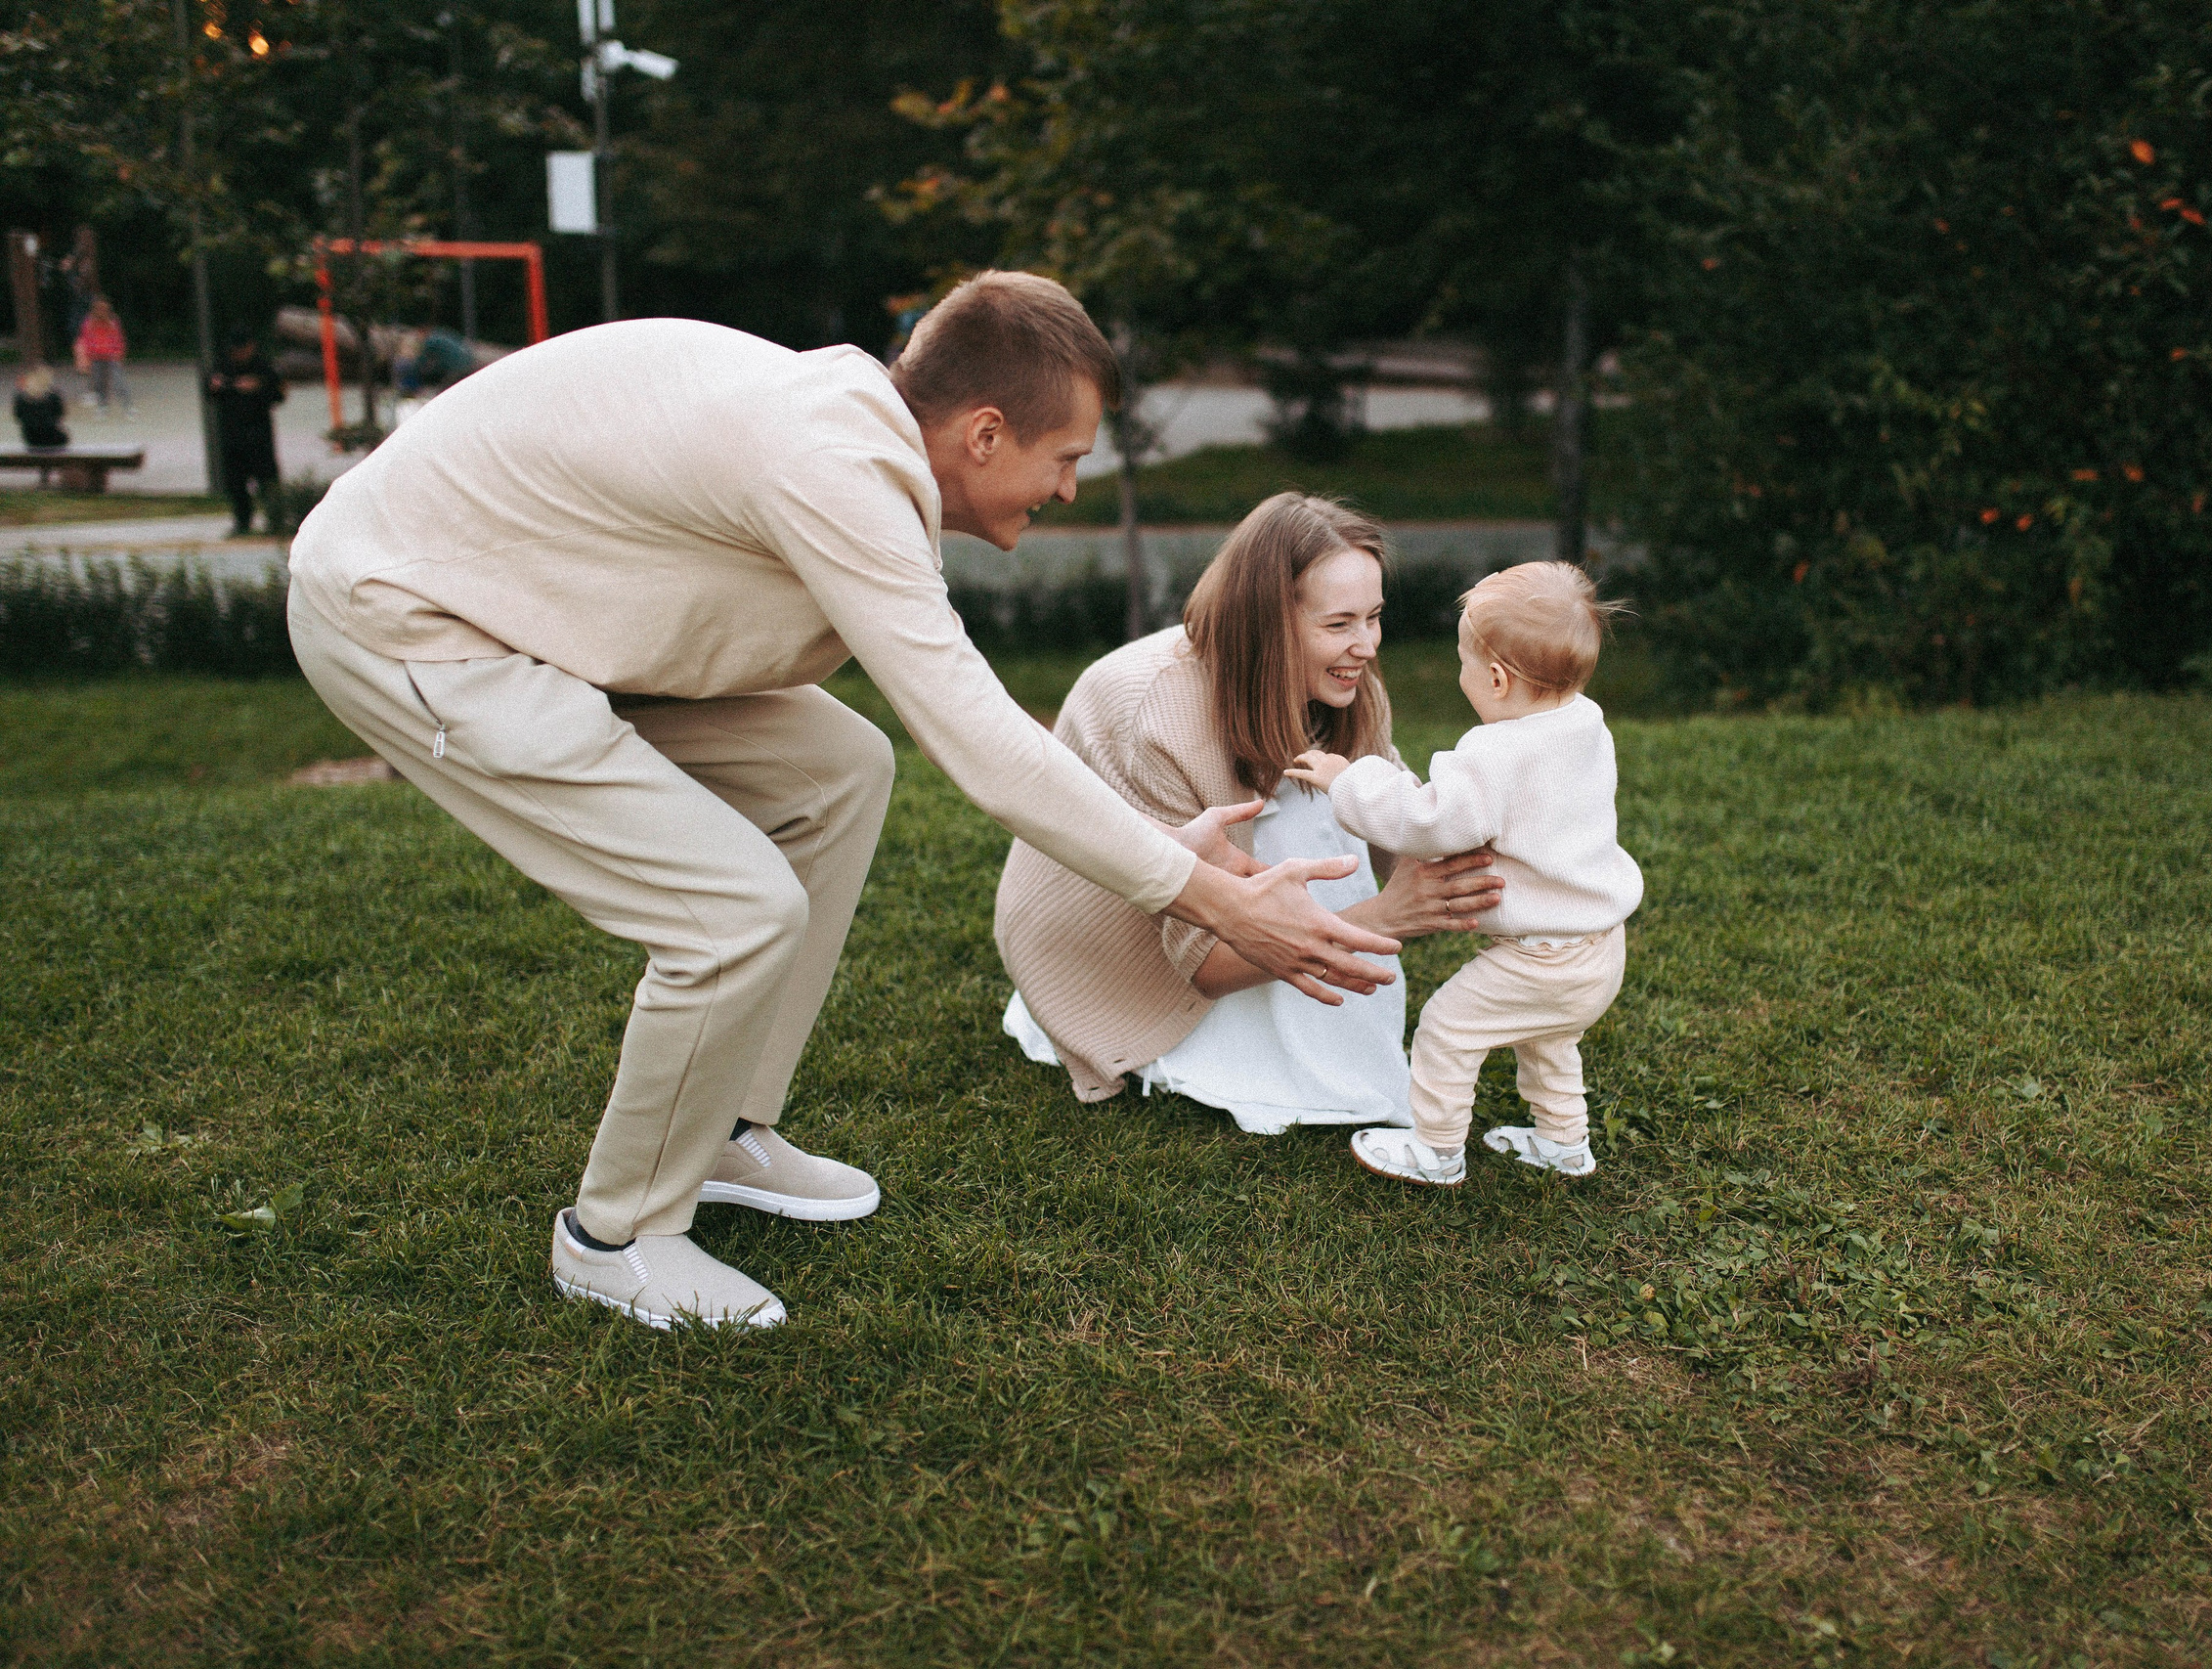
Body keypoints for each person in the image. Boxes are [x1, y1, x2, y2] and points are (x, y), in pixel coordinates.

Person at [286, 271, 1399, 1333]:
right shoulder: (834, 464)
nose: (1068, 488)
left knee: (840, 768)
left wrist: (1182, 875)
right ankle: (614, 1237)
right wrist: (1211, 896)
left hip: (529, 610)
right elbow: (977, 736)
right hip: (407, 617)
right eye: (1063, 457)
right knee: (729, 915)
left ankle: (719, 1129)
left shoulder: (848, 440)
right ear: (984, 436)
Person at [994, 494, 1503, 1132]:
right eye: (1339, 623)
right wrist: (1385, 915)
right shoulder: (1150, 714)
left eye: (1373, 617)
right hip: (1107, 947)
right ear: (1268, 623)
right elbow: (1203, 962)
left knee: (1331, 796)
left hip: (1227, 899)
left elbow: (1394, 818)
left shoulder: (1345, 680)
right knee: (1297, 821)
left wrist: (1469, 853)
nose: (1367, 645)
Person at [1288, 561, 1643, 1186]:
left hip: (1541, 958)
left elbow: (1431, 824)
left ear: (1498, 678)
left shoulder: (1494, 753)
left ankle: (1436, 1149)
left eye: (1463, 662)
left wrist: (1351, 780)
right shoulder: (1586, 724)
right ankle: (1564, 1143)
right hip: (1599, 950)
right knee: (1549, 1039)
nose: (1460, 676)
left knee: (1447, 1030)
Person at [204, 335, 286, 536]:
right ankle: (242, 522)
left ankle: (275, 521)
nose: (238, 354)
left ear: (251, 346)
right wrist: (215, 386)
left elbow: (278, 394)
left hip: (259, 433)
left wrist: (257, 387)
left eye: (242, 349)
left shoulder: (263, 366)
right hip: (232, 433)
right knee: (235, 481)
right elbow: (210, 391)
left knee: (266, 478)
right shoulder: (223, 365)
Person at [73, 295, 131, 417]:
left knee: (119, 382)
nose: (102, 310)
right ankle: (102, 406)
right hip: (96, 357)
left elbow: (118, 338)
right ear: (94, 309)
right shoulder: (88, 322)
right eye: (99, 308)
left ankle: (127, 406)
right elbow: (86, 339)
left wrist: (119, 353)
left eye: (104, 307)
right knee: (99, 384)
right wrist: (88, 355)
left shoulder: (113, 321)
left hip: (112, 356)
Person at [13, 366, 69, 450]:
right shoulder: (53, 396)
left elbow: (18, 416)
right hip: (53, 437)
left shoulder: (20, 398)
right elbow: (60, 415)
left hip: (30, 438)